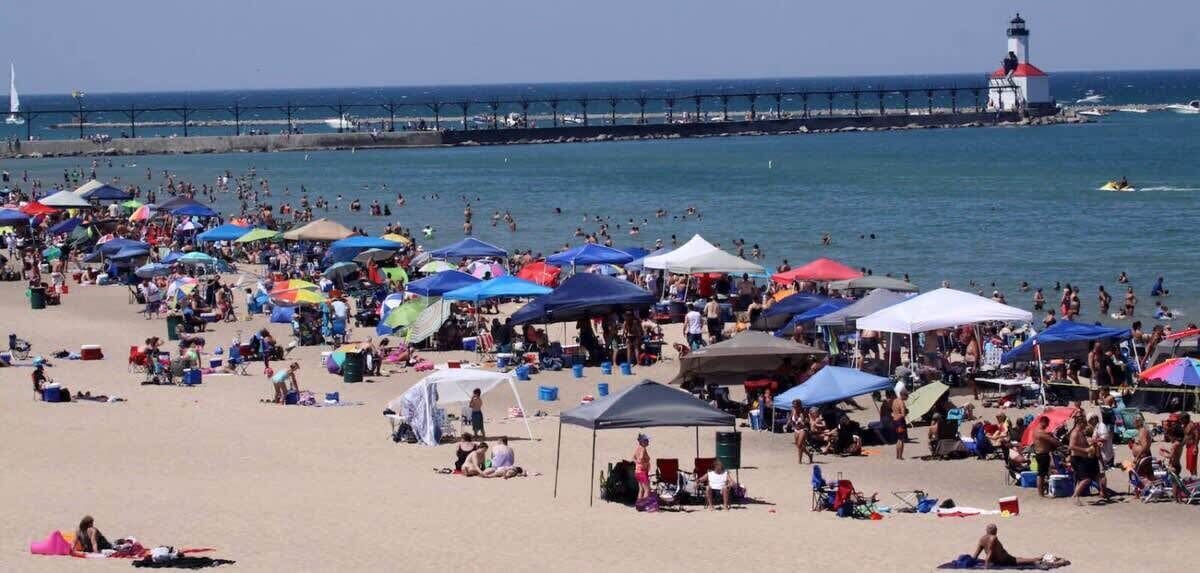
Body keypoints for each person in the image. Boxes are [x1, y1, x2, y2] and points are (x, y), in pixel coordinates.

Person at [971, 524, 1068, 569]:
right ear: (995, 531)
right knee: (1032, 560)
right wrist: (986, 566)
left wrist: (971, 562)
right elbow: (991, 552)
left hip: (1001, 560)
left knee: (1022, 559)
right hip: (1006, 560)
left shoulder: (981, 539)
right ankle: (1057, 562)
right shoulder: (993, 538)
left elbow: (975, 555)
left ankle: (1048, 558)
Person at [1068, 410, 1105, 505]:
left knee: (1082, 479)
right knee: (1086, 479)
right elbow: (1071, 446)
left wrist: (1093, 443)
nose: (1085, 426)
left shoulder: (1080, 432)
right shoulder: (1075, 433)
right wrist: (1085, 450)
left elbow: (1085, 443)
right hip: (1077, 458)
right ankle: (1075, 496)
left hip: (1081, 458)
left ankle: (1075, 497)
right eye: (1084, 424)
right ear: (1079, 423)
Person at [1032, 416, 1060, 497]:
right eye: (1047, 424)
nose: (1047, 426)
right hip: (1042, 454)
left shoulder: (1036, 431)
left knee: (1042, 474)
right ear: (1043, 422)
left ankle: (1042, 492)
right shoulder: (1041, 432)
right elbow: (1053, 441)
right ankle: (1041, 493)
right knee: (1041, 475)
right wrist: (1055, 439)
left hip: (1039, 454)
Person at [633, 433, 651, 502]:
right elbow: (641, 458)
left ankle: (639, 504)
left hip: (637, 471)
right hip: (642, 471)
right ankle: (644, 504)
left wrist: (638, 463)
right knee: (647, 489)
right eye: (646, 440)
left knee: (641, 489)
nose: (648, 442)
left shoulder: (638, 448)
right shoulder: (643, 449)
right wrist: (644, 463)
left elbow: (633, 458)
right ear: (642, 442)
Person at [892, 390, 909, 460]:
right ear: (903, 395)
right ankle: (900, 456)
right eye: (907, 396)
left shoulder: (895, 401)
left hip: (895, 421)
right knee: (901, 439)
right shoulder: (901, 403)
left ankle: (897, 456)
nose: (907, 397)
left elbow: (893, 411)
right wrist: (907, 411)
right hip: (900, 422)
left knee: (898, 439)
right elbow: (903, 414)